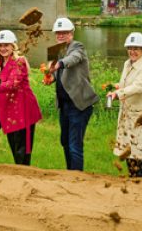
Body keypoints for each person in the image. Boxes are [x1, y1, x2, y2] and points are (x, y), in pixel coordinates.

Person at [47, 17, 98, 171]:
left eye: (64, 33)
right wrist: (50, 78)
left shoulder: (78, 47)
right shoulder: (55, 50)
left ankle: (77, 177)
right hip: (64, 105)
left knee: (74, 144)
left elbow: (72, 59)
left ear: (71, 33)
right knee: (65, 141)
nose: (61, 35)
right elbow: (55, 73)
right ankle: (70, 173)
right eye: (58, 33)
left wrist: (59, 64)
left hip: (79, 105)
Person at [107, 32, 142, 178]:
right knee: (129, 151)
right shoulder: (127, 64)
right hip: (128, 117)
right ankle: (133, 181)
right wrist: (116, 86)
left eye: (136, 48)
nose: (132, 51)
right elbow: (127, 83)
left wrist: (118, 94)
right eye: (130, 48)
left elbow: (138, 87)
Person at [0, 30, 42, 165]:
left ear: (13, 46)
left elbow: (13, 83)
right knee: (13, 145)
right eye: (0, 46)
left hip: (23, 109)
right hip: (8, 110)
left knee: (22, 148)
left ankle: (24, 174)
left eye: (6, 45)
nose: (2, 48)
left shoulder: (20, 61)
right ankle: (20, 174)